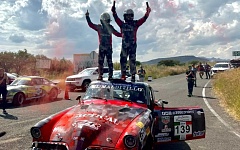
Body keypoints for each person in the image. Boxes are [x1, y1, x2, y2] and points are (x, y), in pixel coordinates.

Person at [111, 1, 151, 82]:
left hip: (132, 45)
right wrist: (114, 11)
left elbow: (144, 18)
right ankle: (123, 75)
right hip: (124, 46)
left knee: (132, 60)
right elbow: (116, 18)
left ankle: (133, 75)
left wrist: (147, 11)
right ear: (125, 16)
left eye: (130, 16)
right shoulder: (122, 24)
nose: (128, 17)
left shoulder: (135, 23)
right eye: (127, 16)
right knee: (123, 59)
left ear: (132, 16)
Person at [86, 10, 121, 80]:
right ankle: (102, 75)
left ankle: (107, 76)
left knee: (106, 62)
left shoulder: (106, 27)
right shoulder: (103, 27)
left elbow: (117, 34)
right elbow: (91, 25)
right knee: (104, 62)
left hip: (106, 47)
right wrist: (87, 17)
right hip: (105, 47)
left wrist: (123, 35)